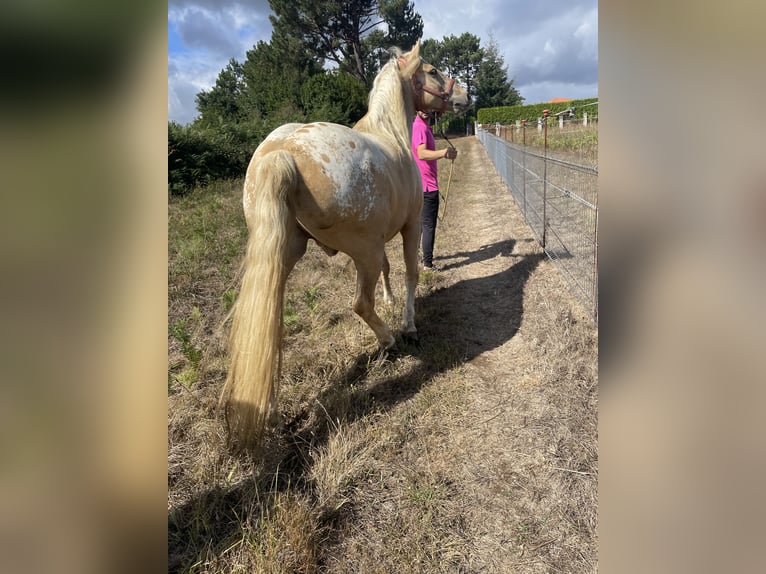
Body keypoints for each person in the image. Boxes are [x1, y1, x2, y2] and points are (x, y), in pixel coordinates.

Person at [411, 110, 458, 271]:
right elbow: (421, 153)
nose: (425, 110)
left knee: (420, 224)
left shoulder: (421, 127)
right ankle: (428, 264)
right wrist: (443, 153)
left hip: (420, 184)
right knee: (428, 225)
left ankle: (417, 257)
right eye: (421, 107)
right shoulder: (420, 128)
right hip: (427, 186)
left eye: (428, 107)